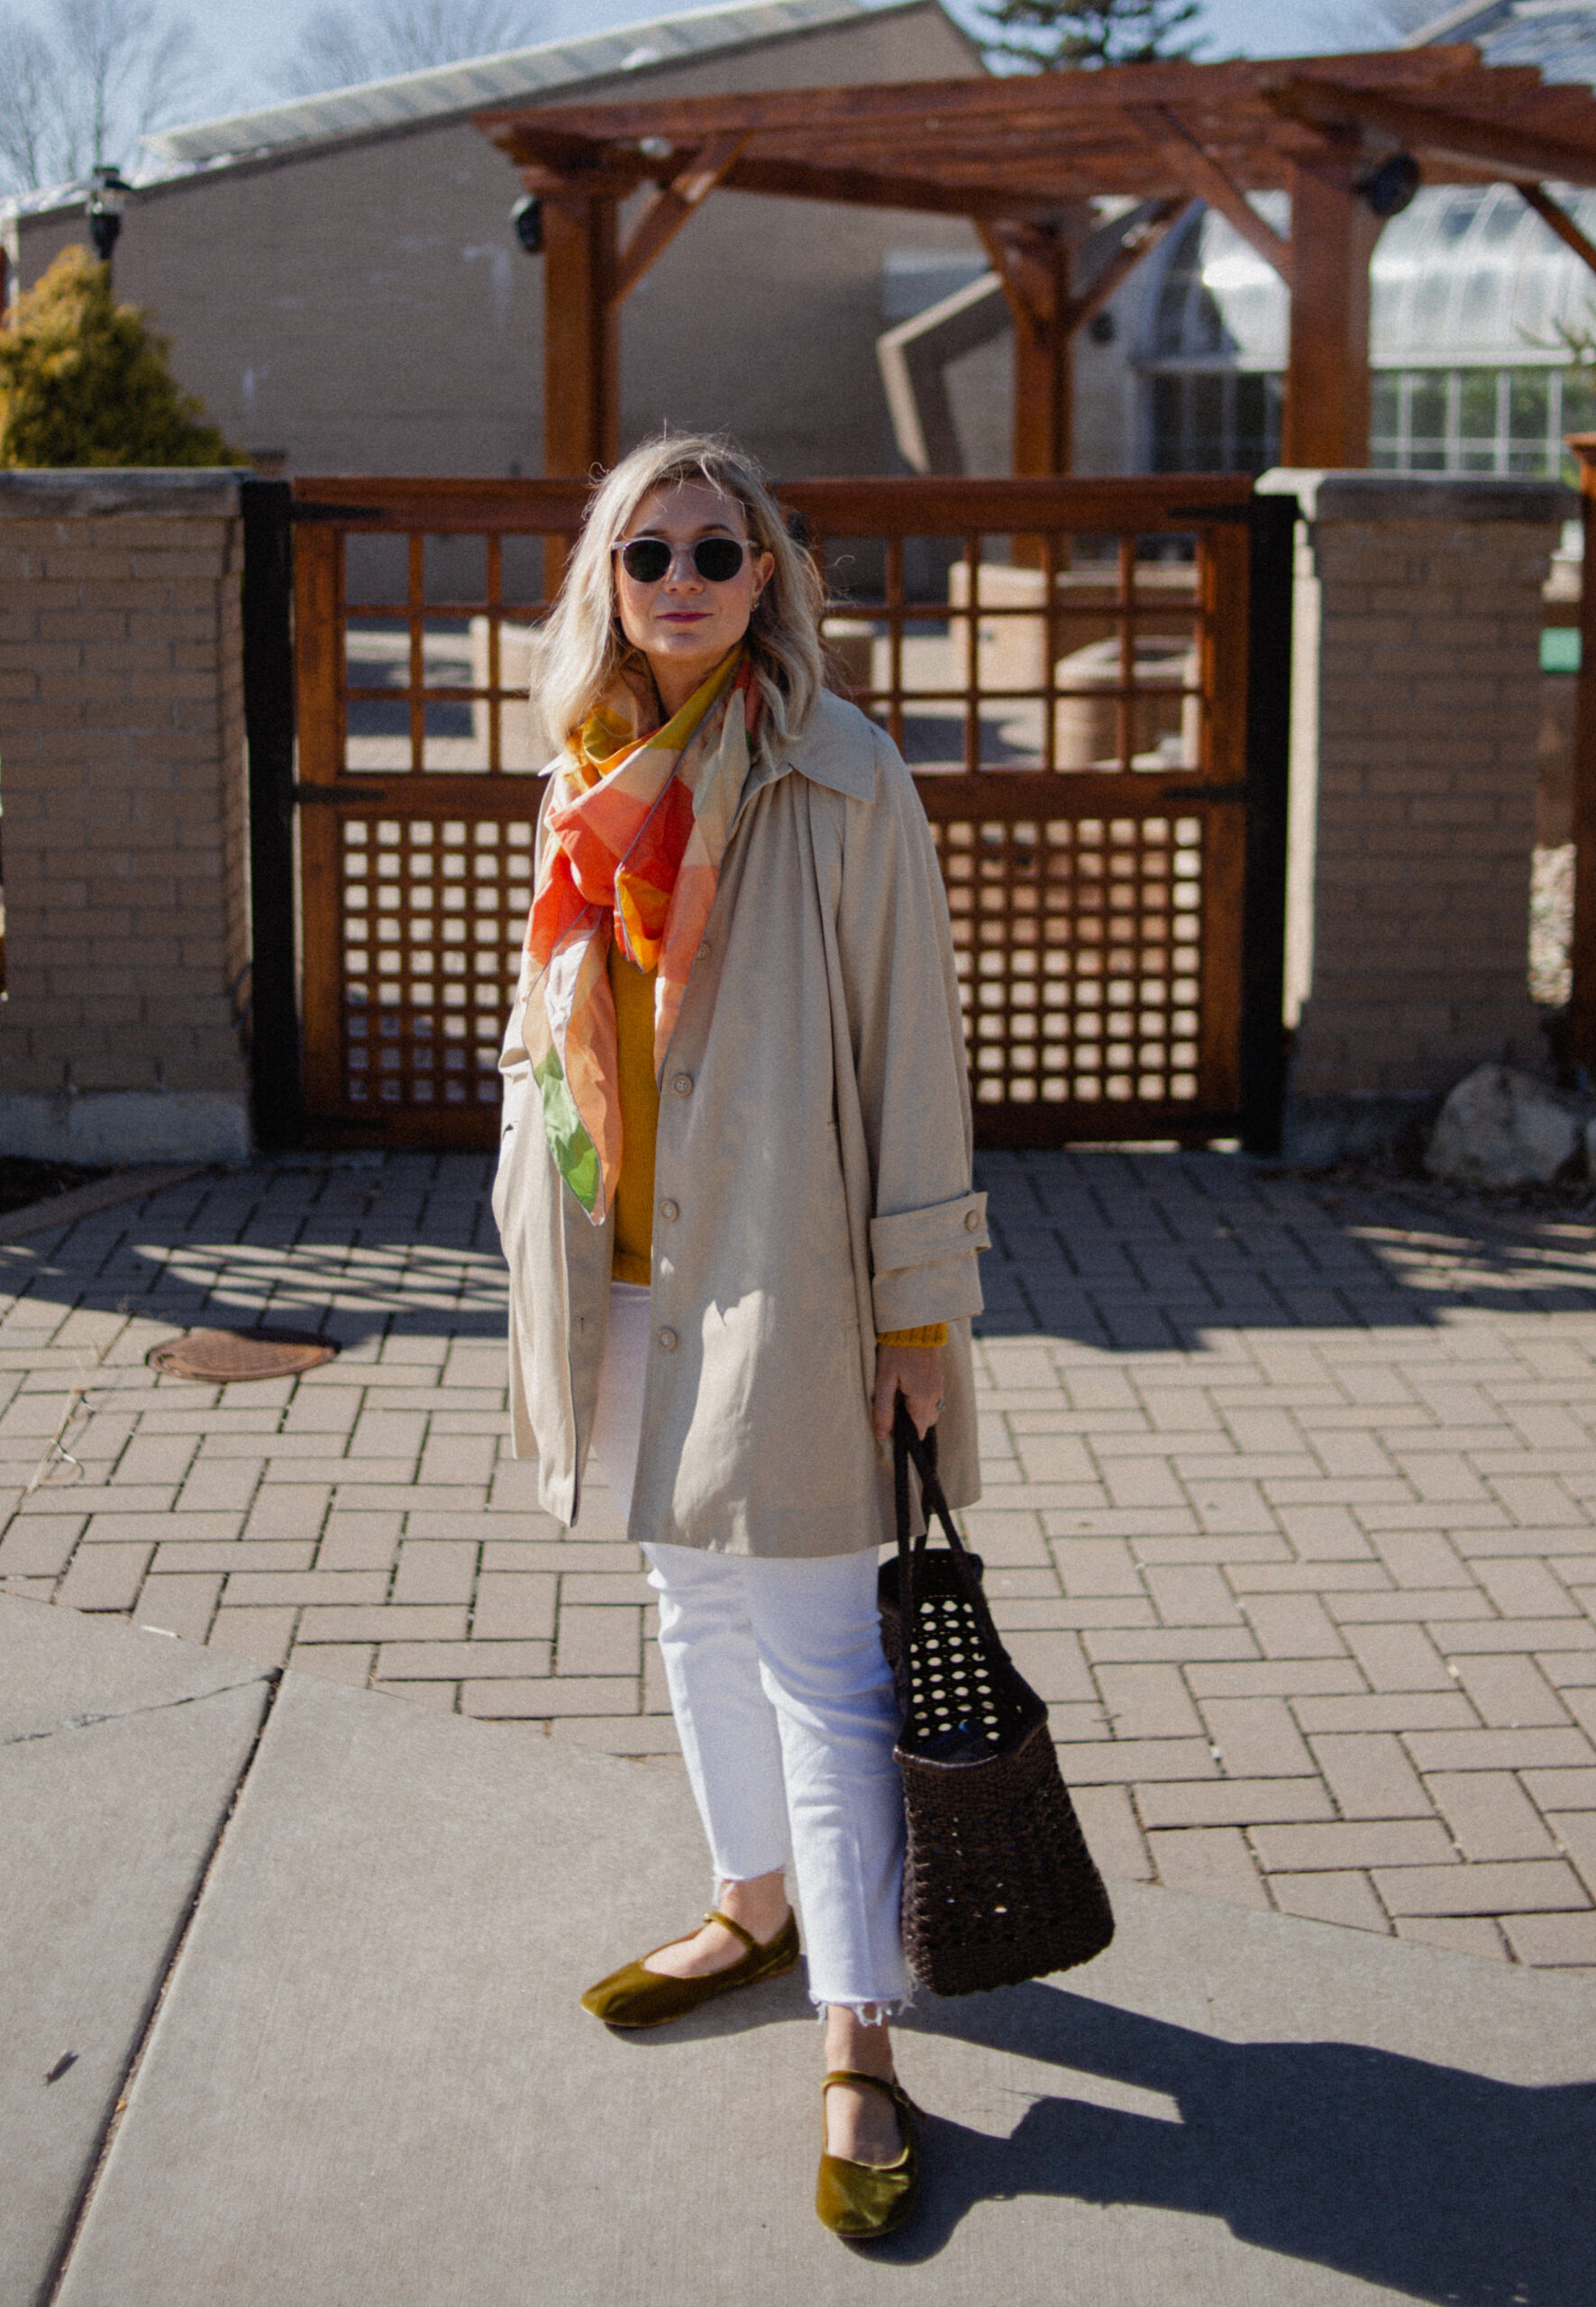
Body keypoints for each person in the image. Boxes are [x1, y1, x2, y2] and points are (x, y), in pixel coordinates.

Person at [491, 432, 987, 2240]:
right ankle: (753, 1900)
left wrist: (919, 1304)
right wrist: (527, 1207)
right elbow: (556, 1030)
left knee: (819, 1652)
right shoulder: (581, 775)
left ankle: (859, 2028)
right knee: (681, 1596)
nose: (683, 579)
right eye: (649, 555)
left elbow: (912, 1057)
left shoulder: (844, 778)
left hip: (786, 1275)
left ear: (768, 573)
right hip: (615, 1266)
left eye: (716, 549)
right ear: (604, 582)